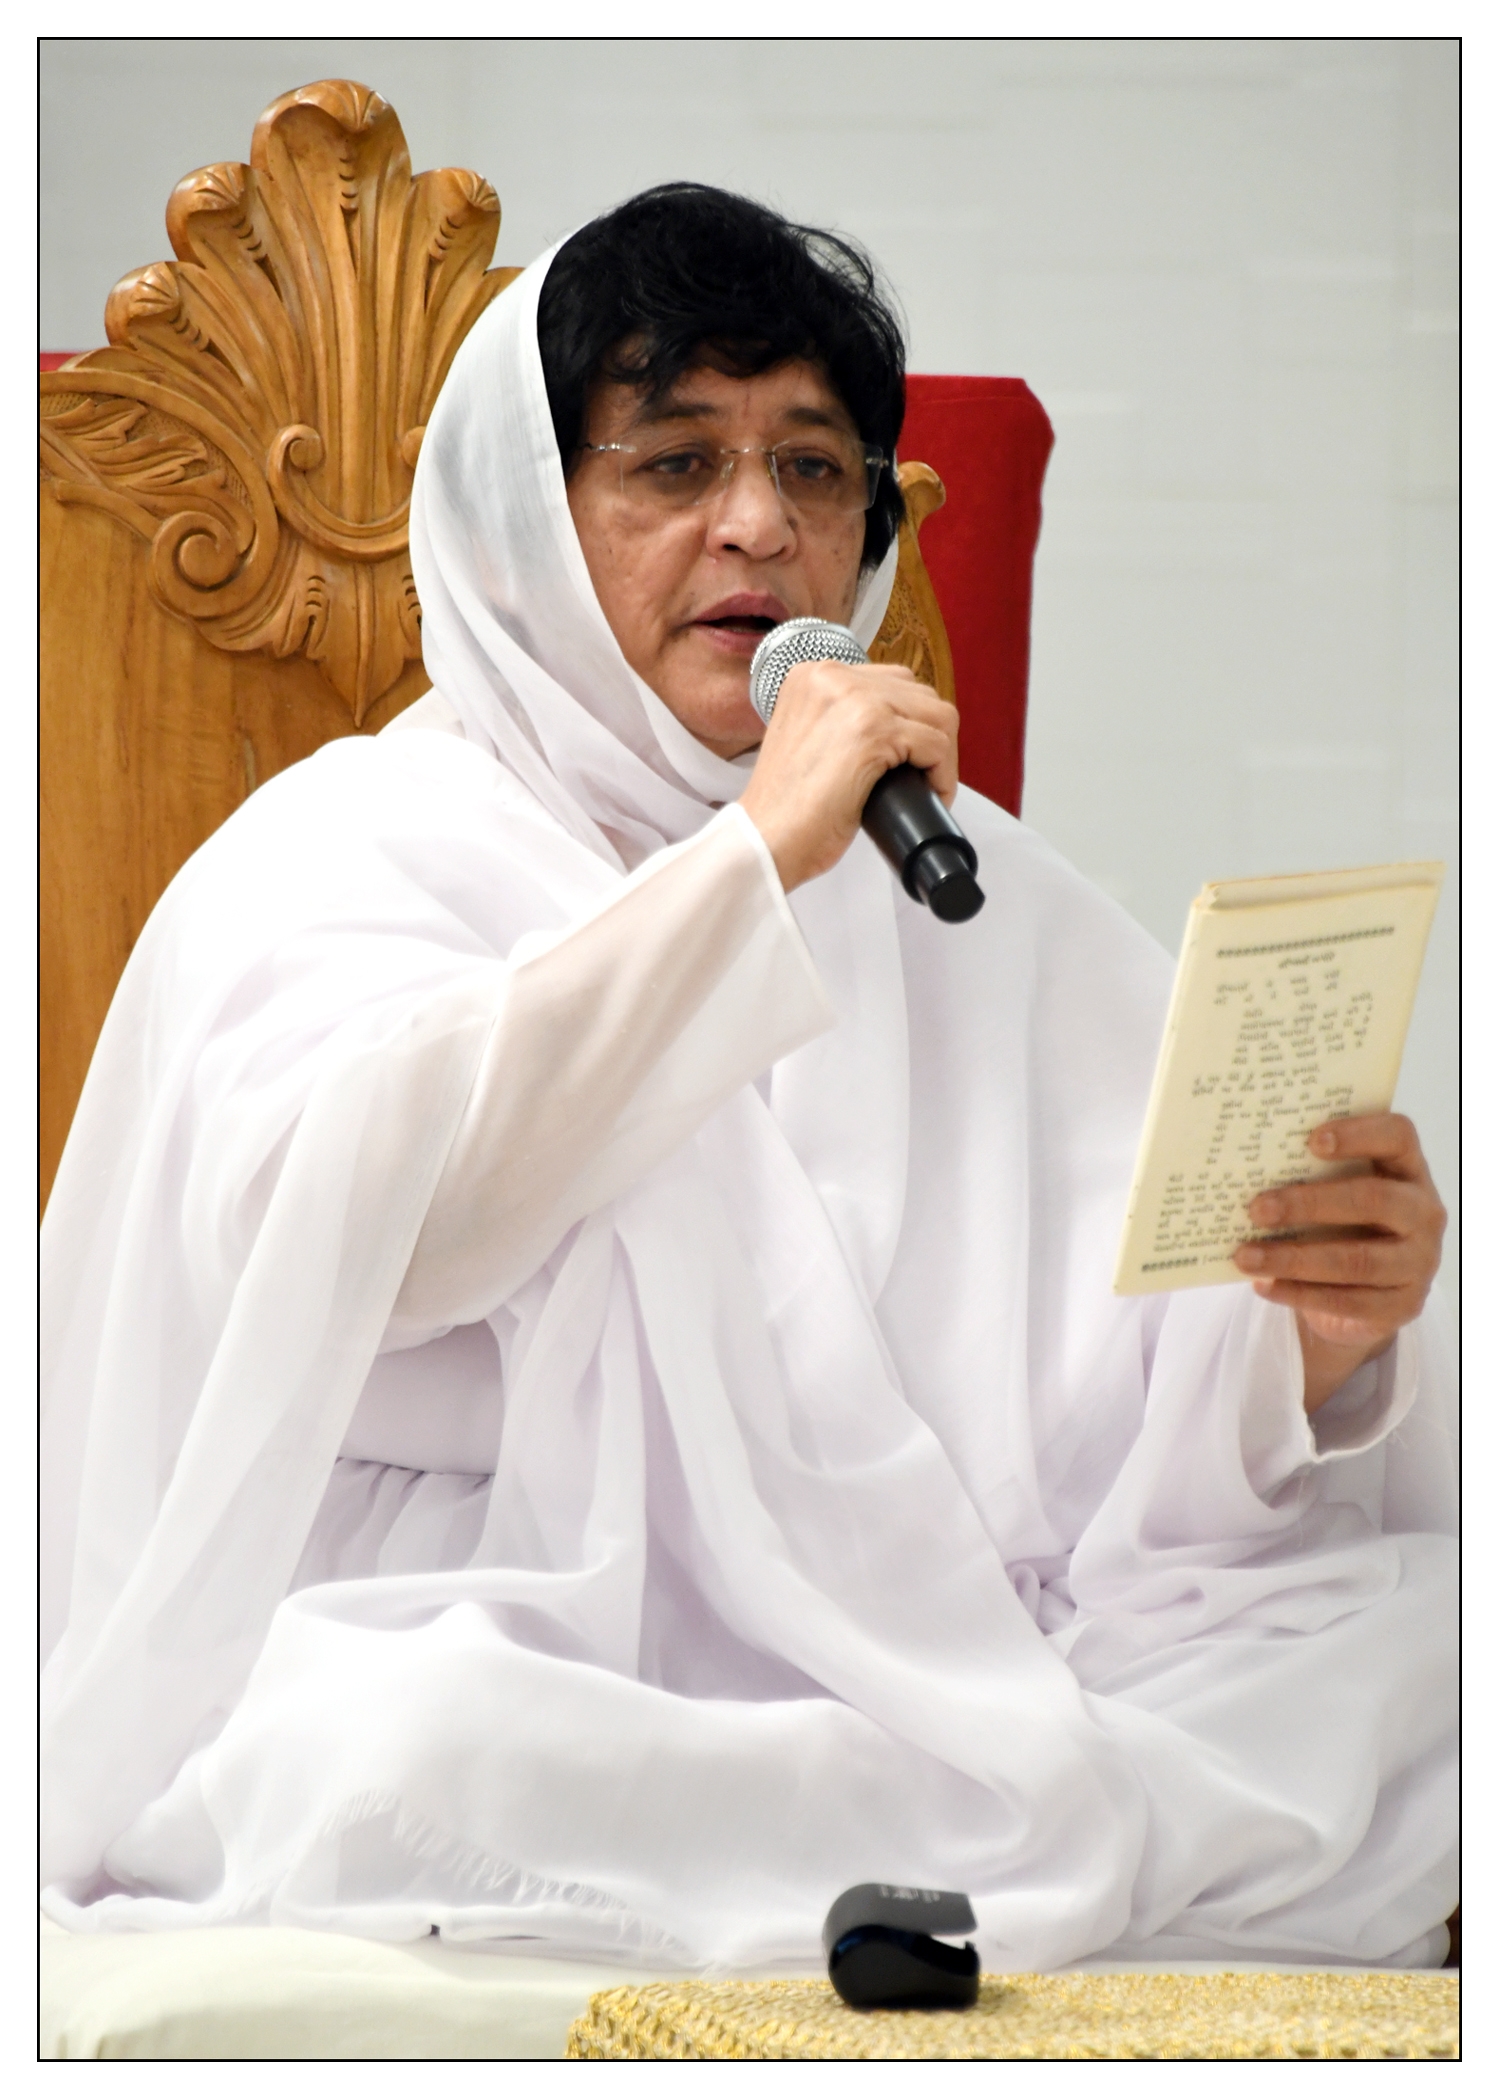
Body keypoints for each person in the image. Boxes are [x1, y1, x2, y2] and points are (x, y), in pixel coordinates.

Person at [41, 184, 1455, 1974]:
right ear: (526, 523)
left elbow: (1111, 1399)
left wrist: (1309, 1341)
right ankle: (958, 1864)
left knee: (1434, 1653)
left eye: (812, 468)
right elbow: (371, 1245)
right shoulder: (346, 849)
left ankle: (929, 1850)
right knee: (394, 1750)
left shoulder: (958, 875)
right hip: (520, 1624)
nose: (760, 526)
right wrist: (750, 870)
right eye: (676, 461)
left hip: (952, 1640)